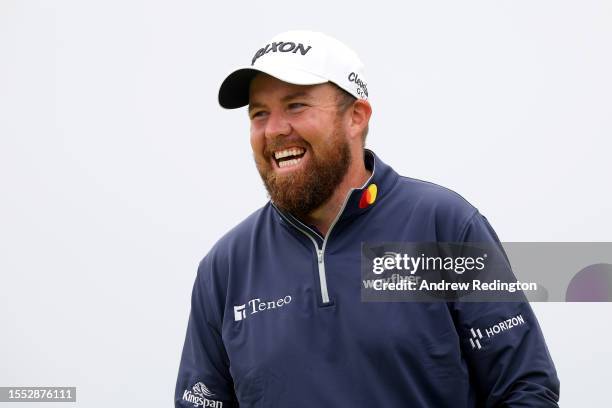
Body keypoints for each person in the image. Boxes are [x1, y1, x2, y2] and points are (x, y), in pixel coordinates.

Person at [175, 30, 560, 407]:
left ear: (356, 117)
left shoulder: (442, 226)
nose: (274, 129)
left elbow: (524, 389)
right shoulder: (226, 268)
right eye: (259, 114)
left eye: (296, 105)